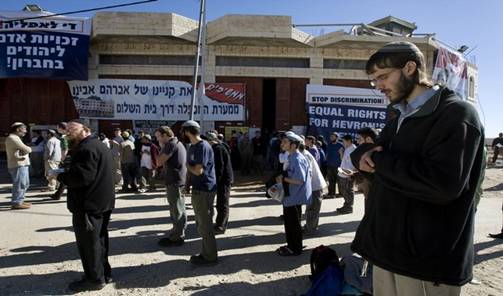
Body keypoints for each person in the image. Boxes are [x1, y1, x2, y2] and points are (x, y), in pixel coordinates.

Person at [350, 41, 484, 295]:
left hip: (425, 263)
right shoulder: (399, 115)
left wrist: (378, 162)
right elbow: (370, 150)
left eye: (383, 76)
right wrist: (361, 155)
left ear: (410, 68)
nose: (378, 86)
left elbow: (441, 185)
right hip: (387, 253)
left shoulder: (457, 115)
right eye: (374, 80)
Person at [57, 119, 115, 292]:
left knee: (89, 244)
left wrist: (61, 177)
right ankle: (104, 273)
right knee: (99, 240)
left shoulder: (86, 148)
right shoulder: (98, 145)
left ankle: (95, 279)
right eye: (66, 131)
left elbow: (82, 178)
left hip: (88, 205)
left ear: (85, 129)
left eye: (71, 130)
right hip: (101, 202)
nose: (67, 133)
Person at [182, 120, 218, 265]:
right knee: (201, 224)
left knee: (205, 225)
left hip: (204, 190)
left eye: (183, 131)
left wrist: (187, 166)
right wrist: (187, 185)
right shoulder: (192, 147)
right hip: (198, 190)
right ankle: (206, 253)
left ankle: (210, 257)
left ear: (188, 131)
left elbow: (198, 170)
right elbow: (193, 171)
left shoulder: (202, 146)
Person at [275, 131, 312, 256]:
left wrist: (284, 179)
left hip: (294, 197)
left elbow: (300, 180)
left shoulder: (297, 159)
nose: (282, 144)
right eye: (282, 141)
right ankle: (291, 245)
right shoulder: (291, 156)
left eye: (285, 142)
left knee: (293, 225)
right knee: (290, 223)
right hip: (290, 196)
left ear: (294, 145)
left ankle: (295, 249)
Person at [155, 126, 188, 247]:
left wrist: (161, 147)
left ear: (165, 135)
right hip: (178, 181)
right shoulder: (177, 143)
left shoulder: (170, 144)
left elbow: (159, 161)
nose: (157, 139)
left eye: (158, 136)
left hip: (174, 181)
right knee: (180, 208)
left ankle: (177, 237)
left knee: (176, 210)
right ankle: (178, 231)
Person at [206, 132, 234, 234]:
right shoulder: (218, 147)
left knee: (222, 203)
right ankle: (219, 223)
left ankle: (221, 226)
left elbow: (219, 168)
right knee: (220, 203)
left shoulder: (218, 149)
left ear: (210, 140)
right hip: (223, 180)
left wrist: (215, 182)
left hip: (223, 180)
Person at [299, 140, 327, 235]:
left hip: (314, 186)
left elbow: (308, 174)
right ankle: (309, 226)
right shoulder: (303, 154)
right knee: (310, 208)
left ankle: (311, 229)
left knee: (313, 209)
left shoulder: (305, 156)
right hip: (311, 186)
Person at [5, 122, 32, 210]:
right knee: (20, 184)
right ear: (17, 129)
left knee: (25, 183)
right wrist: (27, 149)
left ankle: (20, 200)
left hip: (21, 164)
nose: (26, 131)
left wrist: (25, 149)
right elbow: (27, 149)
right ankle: (16, 202)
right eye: (24, 129)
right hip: (18, 165)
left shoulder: (15, 137)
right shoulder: (13, 138)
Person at [353, 127, 378, 211]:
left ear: (368, 139)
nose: (357, 142)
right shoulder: (369, 152)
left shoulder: (376, 154)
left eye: (359, 139)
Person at [335, 135, 356, 214]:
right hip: (342, 173)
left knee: (348, 191)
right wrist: (341, 153)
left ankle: (349, 207)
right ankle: (346, 205)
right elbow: (344, 161)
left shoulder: (353, 149)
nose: (342, 143)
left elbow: (353, 164)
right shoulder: (347, 149)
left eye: (344, 141)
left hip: (348, 174)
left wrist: (350, 175)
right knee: (344, 191)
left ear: (349, 141)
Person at [324, 132, 344, 199]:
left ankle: (341, 193)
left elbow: (341, 156)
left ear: (336, 137)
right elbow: (327, 154)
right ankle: (331, 193)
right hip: (329, 165)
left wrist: (342, 166)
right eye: (331, 136)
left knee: (339, 180)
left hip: (338, 166)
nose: (331, 138)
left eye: (333, 136)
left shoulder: (340, 145)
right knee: (331, 180)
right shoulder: (329, 145)